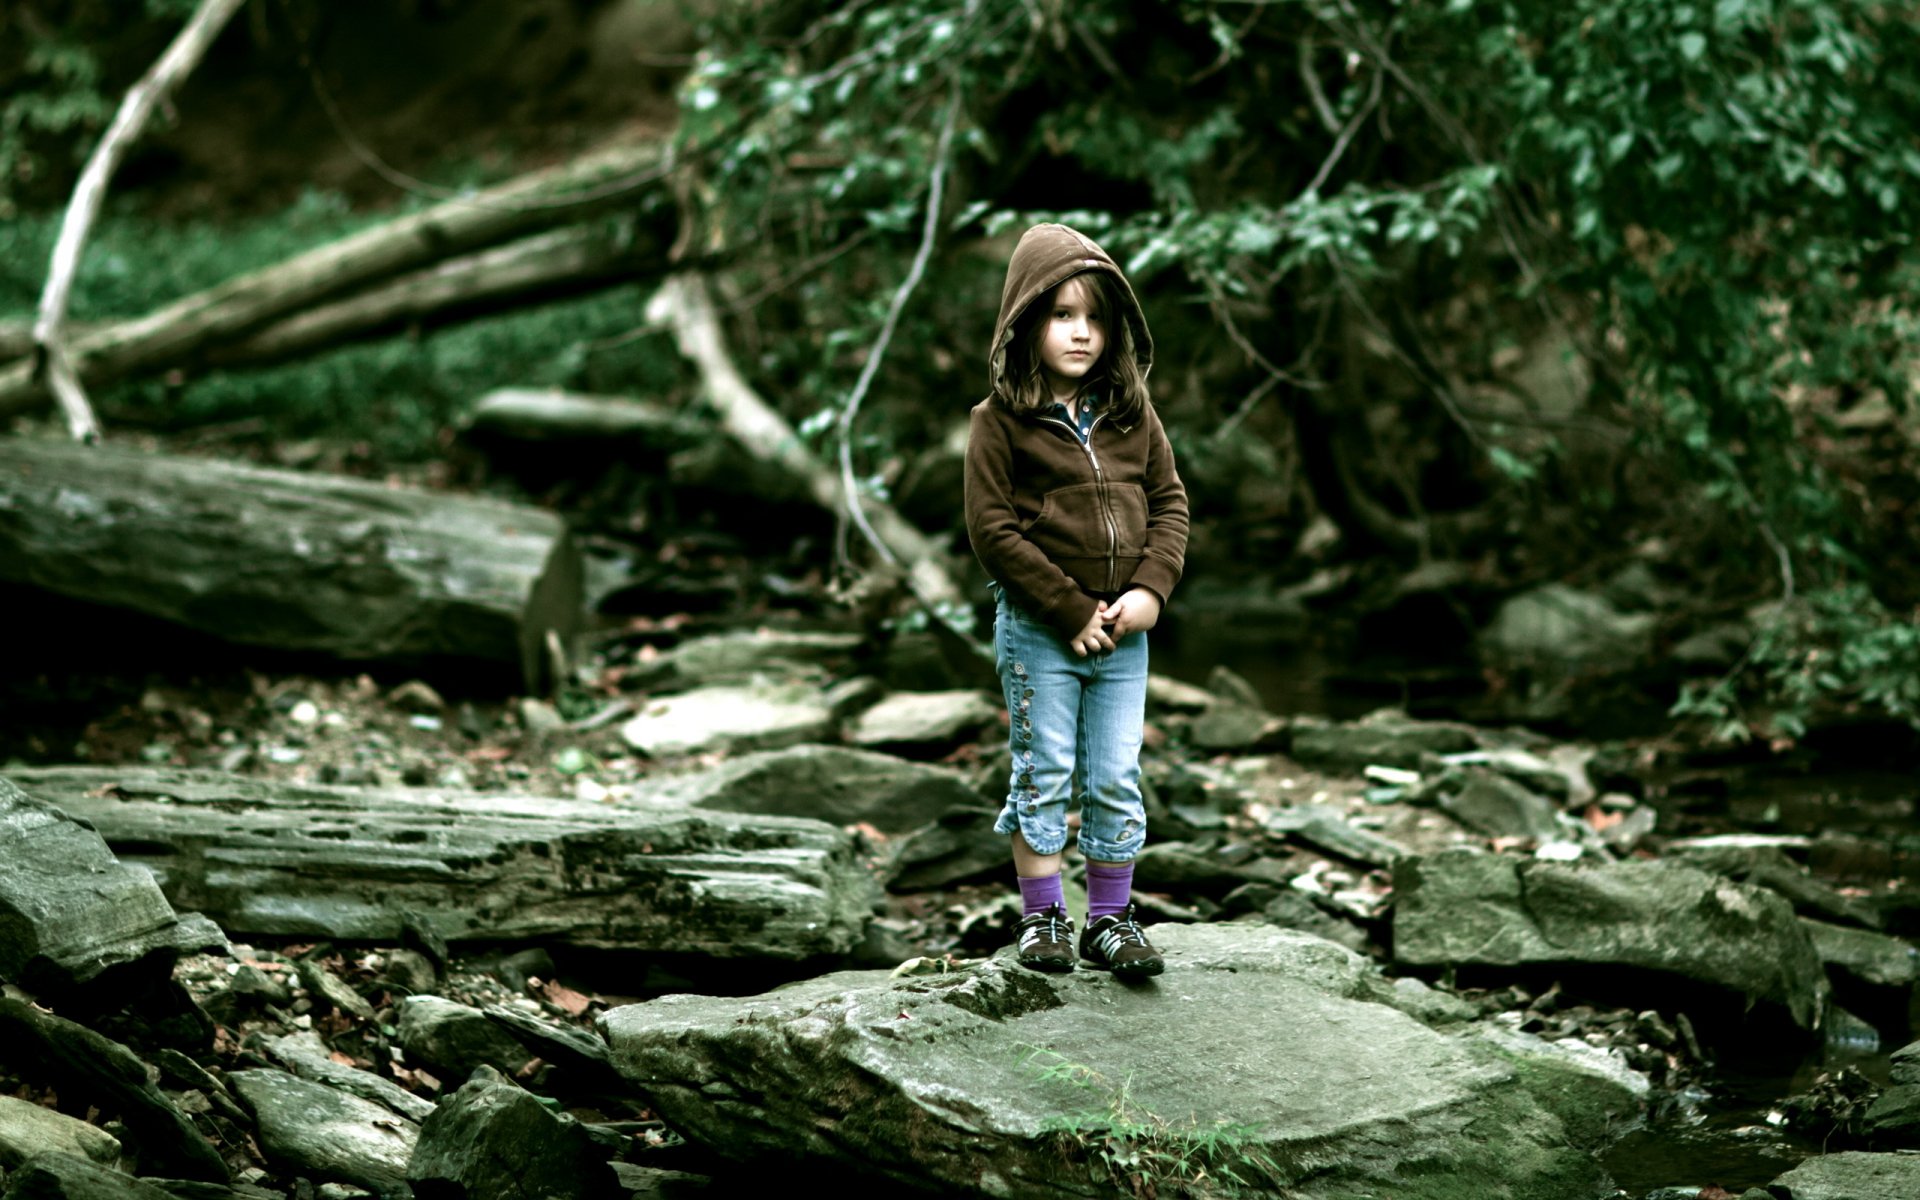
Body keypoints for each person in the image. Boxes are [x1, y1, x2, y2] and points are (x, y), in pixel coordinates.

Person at [963, 223, 1190, 978]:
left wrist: (1151, 591)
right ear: (1025, 323)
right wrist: (1066, 610)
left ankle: (1112, 919)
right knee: (1044, 771)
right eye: (1061, 314)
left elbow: (1170, 504)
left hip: (1126, 632)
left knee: (1115, 774)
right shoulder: (997, 424)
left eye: (1095, 317)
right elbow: (992, 532)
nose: (1081, 332)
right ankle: (1042, 920)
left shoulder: (1132, 413)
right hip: (1041, 632)